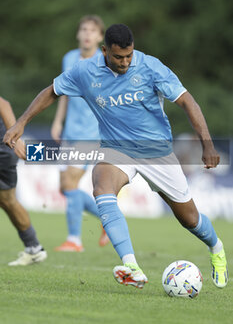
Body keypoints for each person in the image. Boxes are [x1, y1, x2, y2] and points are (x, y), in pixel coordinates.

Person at [4, 24, 228, 289]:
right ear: (104, 51)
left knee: (189, 219)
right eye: (118, 57)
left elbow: (187, 101)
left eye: (128, 56)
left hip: (156, 151)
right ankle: (131, 265)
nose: (124, 62)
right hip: (116, 148)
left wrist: (208, 144)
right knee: (101, 186)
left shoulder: (151, 67)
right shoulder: (85, 71)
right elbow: (52, 91)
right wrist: (21, 124)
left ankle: (217, 248)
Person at [51, 15, 109, 252]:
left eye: (92, 30)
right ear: (78, 34)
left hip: (90, 132)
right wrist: (57, 121)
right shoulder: (68, 59)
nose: (87, 34)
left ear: (100, 37)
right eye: (83, 29)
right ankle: (108, 219)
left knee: (71, 181)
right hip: (70, 132)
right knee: (65, 187)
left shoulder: (103, 62)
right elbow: (64, 92)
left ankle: (74, 240)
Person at [0, 97, 47, 266]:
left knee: (8, 201)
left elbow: (3, 104)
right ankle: (34, 247)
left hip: (3, 146)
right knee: (7, 201)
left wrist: (15, 137)